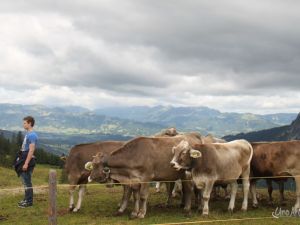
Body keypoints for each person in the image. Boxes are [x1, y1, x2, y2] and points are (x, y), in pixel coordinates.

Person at [14, 116, 38, 208]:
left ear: (30, 123)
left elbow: (31, 150)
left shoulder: (32, 135)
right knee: (24, 181)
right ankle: (26, 199)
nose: (23, 124)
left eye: (25, 123)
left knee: (27, 181)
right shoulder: (28, 134)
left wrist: (26, 163)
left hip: (27, 160)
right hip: (23, 157)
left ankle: (29, 202)